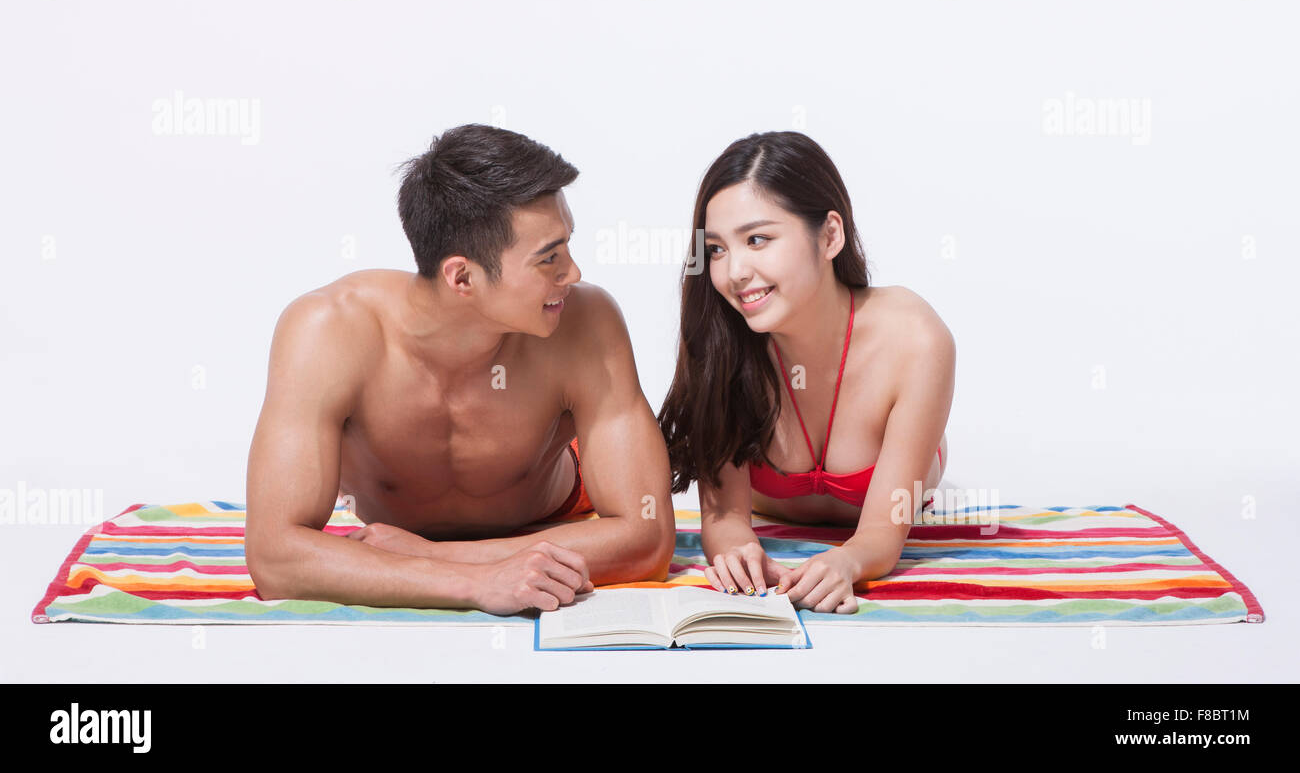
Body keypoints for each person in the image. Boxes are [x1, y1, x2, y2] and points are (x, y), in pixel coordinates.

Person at [245, 124, 675, 616]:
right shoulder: (327, 330)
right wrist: (476, 584)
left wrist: (435, 558)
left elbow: (647, 538)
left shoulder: (588, 322)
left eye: (568, 247)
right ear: (463, 276)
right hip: (398, 526)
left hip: (550, 504)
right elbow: (275, 557)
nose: (573, 273)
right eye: (549, 258)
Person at [657, 131, 954, 614]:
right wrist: (736, 549)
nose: (734, 271)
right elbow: (728, 514)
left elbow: (881, 531)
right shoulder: (721, 340)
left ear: (830, 235)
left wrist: (848, 562)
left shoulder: (915, 339)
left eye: (758, 239)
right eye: (716, 249)